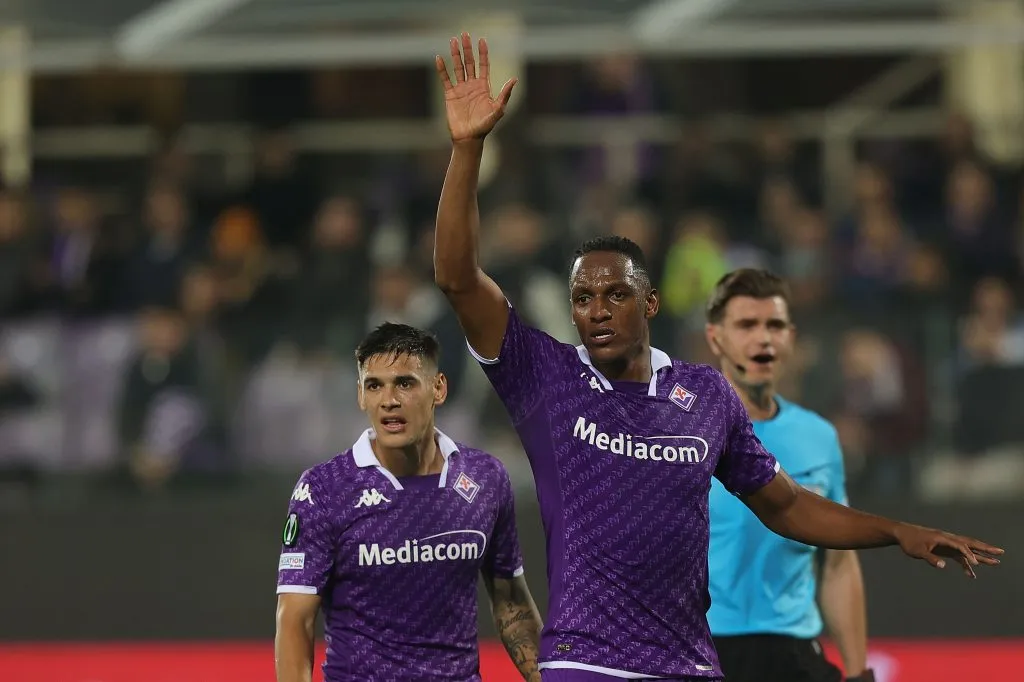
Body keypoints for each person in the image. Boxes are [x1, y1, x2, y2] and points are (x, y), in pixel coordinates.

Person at [431, 32, 1004, 682]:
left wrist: (896, 531)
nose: (596, 308)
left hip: (690, 666)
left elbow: (786, 504)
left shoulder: (704, 394)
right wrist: (468, 149)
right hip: (587, 665)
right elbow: (456, 277)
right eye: (583, 296)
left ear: (650, 306)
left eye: (616, 293)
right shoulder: (547, 377)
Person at [274, 322, 543, 682]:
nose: (389, 400)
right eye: (374, 385)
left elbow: (511, 600)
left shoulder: (486, 478)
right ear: (360, 395)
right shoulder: (324, 489)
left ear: (438, 388)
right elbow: (295, 619)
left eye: (404, 383)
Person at [704, 269, 872, 682]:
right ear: (716, 338)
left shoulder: (819, 438)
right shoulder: (678, 434)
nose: (763, 338)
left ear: (790, 338)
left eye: (774, 325)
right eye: (746, 325)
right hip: (703, 651)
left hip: (794, 653)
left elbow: (837, 564)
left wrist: (857, 673)